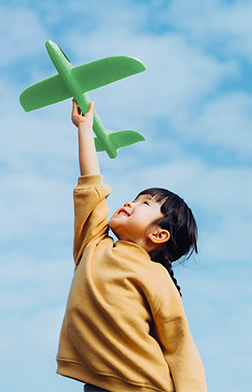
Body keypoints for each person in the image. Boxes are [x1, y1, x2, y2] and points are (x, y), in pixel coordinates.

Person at [56, 100, 207, 392]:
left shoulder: (156, 277)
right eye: (135, 198)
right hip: (99, 382)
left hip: (146, 386)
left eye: (145, 204)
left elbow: (179, 347)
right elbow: (90, 187)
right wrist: (84, 128)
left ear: (159, 235)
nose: (129, 203)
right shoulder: (94, 245)